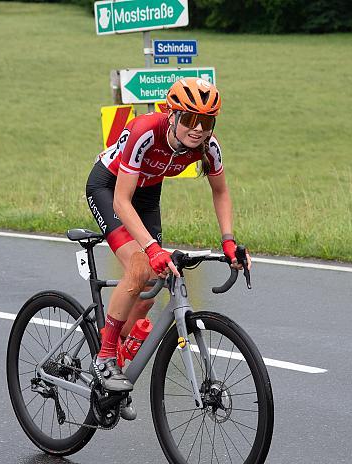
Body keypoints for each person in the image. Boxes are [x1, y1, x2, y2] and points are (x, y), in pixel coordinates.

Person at [85, 77, 251, 395]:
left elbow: (221, 192)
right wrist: (150, 248)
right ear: (172, 114)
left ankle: (118, 351)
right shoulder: (144, 131)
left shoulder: (208, 147)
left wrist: (228, 242)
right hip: (110, 187)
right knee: (139, 267)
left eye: (206, 121)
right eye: (190, 119)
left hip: (147, 194)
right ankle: (103, 358)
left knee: (154, 279)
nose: (198, 128)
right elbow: (121, 201)